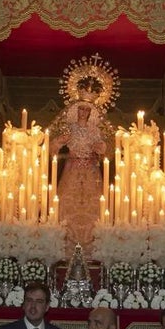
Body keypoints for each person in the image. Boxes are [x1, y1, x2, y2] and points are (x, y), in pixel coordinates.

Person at [50, 93, 109, 247]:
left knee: (93, 201)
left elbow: (104, 148)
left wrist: (100, 148)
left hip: (91, 169)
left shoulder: (94, 130)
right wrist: (59, 141)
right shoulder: (70, 128)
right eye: (80, 109)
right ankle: (66, 239)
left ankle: (93, 241)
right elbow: (52, 149)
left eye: (86, 110)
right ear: (76, 111)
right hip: (72, 168)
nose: (83, 112)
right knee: (68, 200)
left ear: (90, 113)